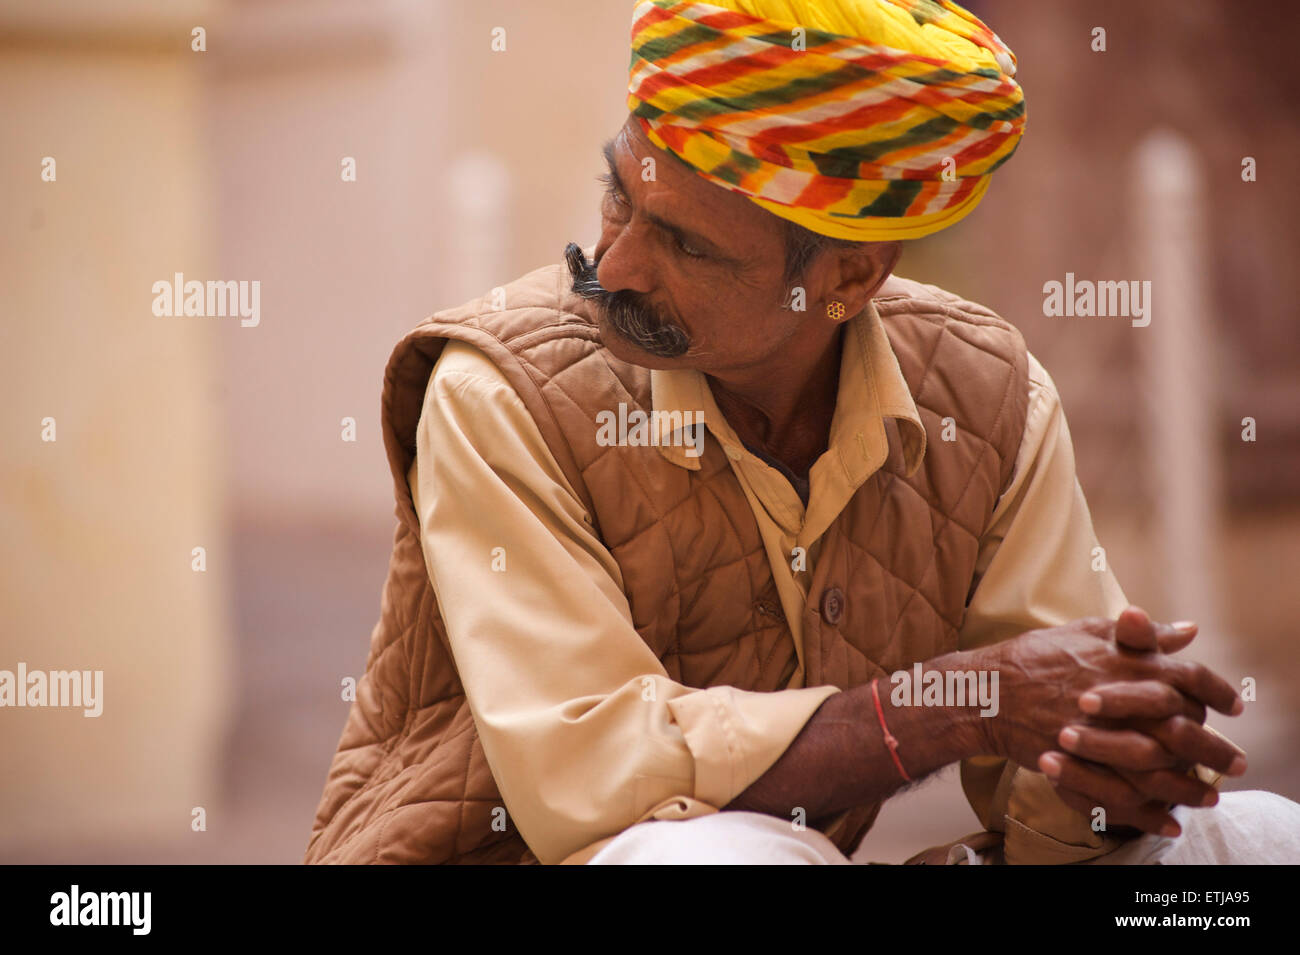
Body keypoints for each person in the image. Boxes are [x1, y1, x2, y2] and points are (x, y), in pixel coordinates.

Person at [304, 0, 1300, 865]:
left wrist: (1111, 758)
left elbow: (1047, 790)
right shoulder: (499, 393)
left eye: (684, 242)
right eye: (620, 196)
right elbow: (600, 784)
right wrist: (963, 699)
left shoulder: (983, 390)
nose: (615, 265)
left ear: (847, 280)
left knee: (1250, 840)